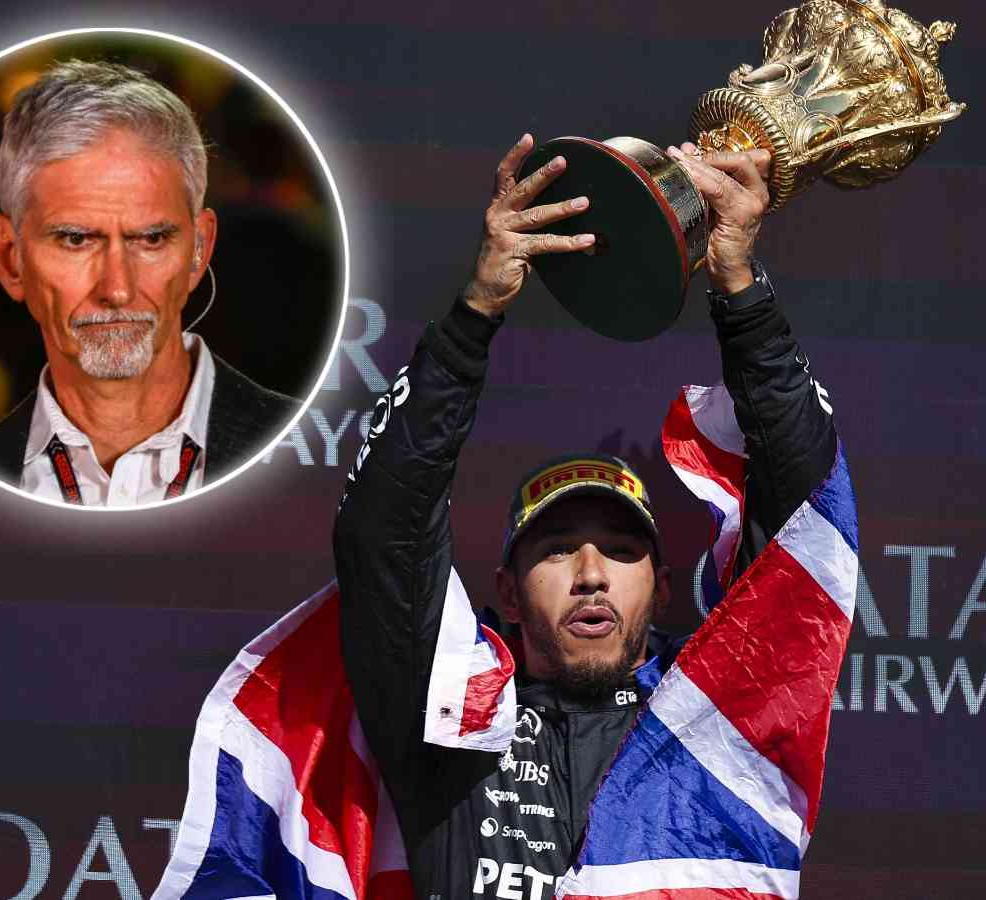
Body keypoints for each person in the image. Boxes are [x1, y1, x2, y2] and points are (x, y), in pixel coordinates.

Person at [334, 133, 840, 899]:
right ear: (505, 593)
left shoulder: (713, 709)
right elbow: (384, 527)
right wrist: (475, 316)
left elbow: (804, 514)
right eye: (559, 549)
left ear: (663, 588)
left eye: (621, 551)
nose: (593, 576)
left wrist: (739, 284)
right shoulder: (452, 709)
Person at [0, 60, 300, 506]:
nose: (117, 289)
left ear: (200, 249)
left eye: (151, 238)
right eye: (76, 239)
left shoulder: (326, 464)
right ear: (9, 259)